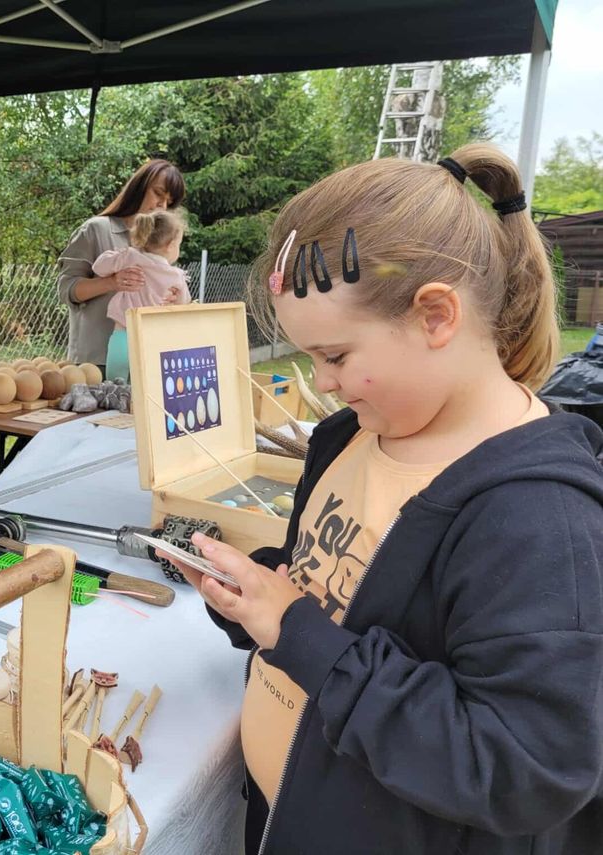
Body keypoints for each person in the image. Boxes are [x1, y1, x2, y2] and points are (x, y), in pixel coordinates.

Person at [173, 145, 603, 854]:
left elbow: (526, 769)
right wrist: (257, 596)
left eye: (336, 356)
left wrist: (298, 634)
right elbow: (346, 588)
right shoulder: (347, 435)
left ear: (436, 315)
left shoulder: (537, 520)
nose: (324, 383)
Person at [57, 159, 185, 373]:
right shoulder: (96, 229)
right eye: (158, 193)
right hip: (95, 363)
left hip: (146, 361)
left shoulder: (162, 243)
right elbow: (66, 290)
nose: (162, 205)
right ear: (139, 187)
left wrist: (171, 299)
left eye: (169, 202)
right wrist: (111, 282)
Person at [93, 208, 191, 381]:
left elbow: (98, 267)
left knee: (116, 389)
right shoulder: (175, 276)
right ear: (170, 246)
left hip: (122, 337)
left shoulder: (129, 257)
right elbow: (184, 303)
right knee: (147, 390)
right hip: (153, 341)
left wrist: (119, 254)